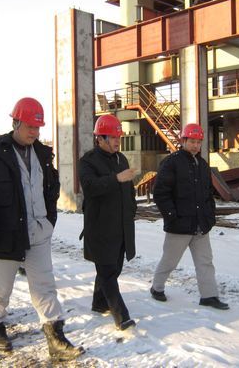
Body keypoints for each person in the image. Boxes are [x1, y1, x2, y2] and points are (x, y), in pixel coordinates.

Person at [0, 97, 83, 360]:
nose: (34, 132)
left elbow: (51, 189)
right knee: (1, 288)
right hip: (5, 234)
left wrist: (49, 219)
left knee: (45, 285)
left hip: (38, 231)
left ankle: (55, 336)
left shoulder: (42, 154)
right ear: (16, 123)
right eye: (30, 126)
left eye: (37, 127)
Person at [150, 123, 229, 310]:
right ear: (183, 140)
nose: (195, 145)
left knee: (205, 262)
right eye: (192, 141)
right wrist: (172, 216)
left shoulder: (202, 164)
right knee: (170, 261)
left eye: (198, 142)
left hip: (201, 224)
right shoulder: (171, 163)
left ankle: (209, 296)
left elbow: (208, 193)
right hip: (179, 225)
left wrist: (209, 216)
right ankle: (157, 287)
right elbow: (160, 193)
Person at [78, 114, 137, 331]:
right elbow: (90, 187)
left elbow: (129, 190)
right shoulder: (88, 161)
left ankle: (99, 302)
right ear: (100, 139)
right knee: (108, 272)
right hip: (100, 228)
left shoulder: (122, 159)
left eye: (118, 137)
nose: (117, 141)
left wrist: (132, 209)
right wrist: (116, 179)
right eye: (112, 137)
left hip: (121, 227)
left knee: (114, 268)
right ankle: (122, 317)